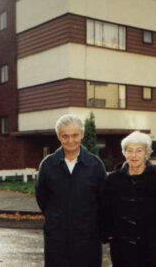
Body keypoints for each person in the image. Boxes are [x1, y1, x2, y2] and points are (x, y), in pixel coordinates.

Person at [101, 131, 156, 267]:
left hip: (152, 253)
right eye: (129, 151)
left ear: (146, 153)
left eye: (139, 150)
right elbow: (105, 211)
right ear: (124, 153)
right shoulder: (113, 180)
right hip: (122, 253)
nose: (134, 155)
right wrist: (108, 233)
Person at [35, 114, 107, 267]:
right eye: (65, 136)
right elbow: (42, 199)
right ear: (59, 137)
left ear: (82, 134)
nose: (70, 140)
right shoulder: (48, 165)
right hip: (57, 240)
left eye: (75, 135)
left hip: (88, 240)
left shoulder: (95, 165)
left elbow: (103, 201)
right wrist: (56, 220)